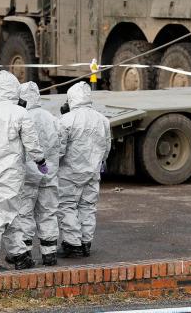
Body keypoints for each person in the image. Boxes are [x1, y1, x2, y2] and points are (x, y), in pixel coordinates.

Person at [0, 71, 47, 272]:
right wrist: (40, 160)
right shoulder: (20, 113)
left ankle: (20, 255)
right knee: (3, 214)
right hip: (9, 172)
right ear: (14, 89)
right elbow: (31, 141)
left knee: (5, 213)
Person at [57, 81, 111, 259]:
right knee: (88, 207)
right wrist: (98, 162)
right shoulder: (103, 120)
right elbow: (106, 147)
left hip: (69, 172)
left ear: (71, 98)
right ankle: (86, 243)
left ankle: (73, 244)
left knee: (67, 206)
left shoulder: (66, 120)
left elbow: (59, 150)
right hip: (93, 171)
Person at [16, 81, 62, 267]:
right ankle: (49, 254)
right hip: (48, 172)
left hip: (27, 174)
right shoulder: (51, 118)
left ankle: (25, 253)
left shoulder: (21, 116)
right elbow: (60, 144)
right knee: (48, 212)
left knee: (24, 213)